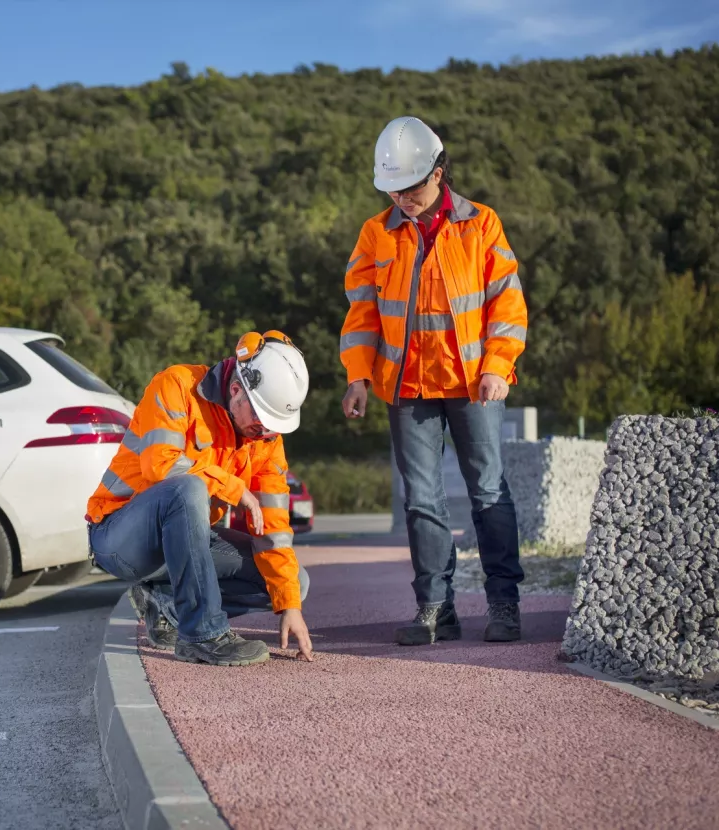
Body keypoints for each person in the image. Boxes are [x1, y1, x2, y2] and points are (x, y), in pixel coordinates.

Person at [339, 115, 529, 646]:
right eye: (393, 190)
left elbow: (507, 305)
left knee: (488, 491)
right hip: (406, 390)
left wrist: (497, 365)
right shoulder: (376, 234)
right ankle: (435, 611)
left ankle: (504, 605)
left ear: (439, 173)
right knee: (422, 500)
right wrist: (357, 376)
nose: (403, 198)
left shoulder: (480, 223)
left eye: (412, 187)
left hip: (473, 384)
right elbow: (362, 315)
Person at [85, 330, 314, 667]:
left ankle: (166, 602)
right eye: (262, 420)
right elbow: (160, 466)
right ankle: (203, 635)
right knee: (187, 487)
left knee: (294, 584)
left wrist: (290, 606)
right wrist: (234, 489)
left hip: (184, 543)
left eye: (274, 426)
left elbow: (275, 529)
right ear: (236, 389)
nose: (266, 432)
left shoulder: (266, 441)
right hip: (118, 535)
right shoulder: (177, 386)